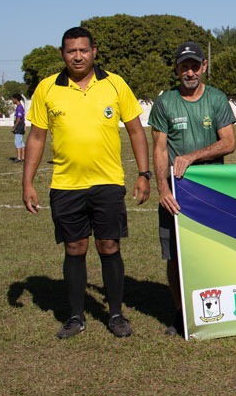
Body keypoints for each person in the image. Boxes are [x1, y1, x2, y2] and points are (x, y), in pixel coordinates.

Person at [22, 27, 151, 339]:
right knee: (74, 247)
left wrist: (144, 174)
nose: (77, 56)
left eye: (83, 50)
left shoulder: (115, 83)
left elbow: (135, 130)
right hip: (66, 185)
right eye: (70, 51)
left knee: (109, 245)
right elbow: (37, 137)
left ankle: (116, 314)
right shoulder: (47, 88)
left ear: (94, 51)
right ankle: (76, 316)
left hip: (107, 182)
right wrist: (27, 182)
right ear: (62, 53)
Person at [149, 41, 236, 336]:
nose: (190, 72)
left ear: (204, 66)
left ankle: (218, 309)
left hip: (211, 191)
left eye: (195, 65)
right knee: (175, 255)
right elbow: (160, 149)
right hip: (177, 191)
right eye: (184, 66)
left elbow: (229, 142)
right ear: (176, 68)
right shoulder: (165, 102)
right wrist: (162, 189)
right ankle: (180, 312)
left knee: (215, 250)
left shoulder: (216, 99)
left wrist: (191, 156)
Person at [11, 94, 26, 162]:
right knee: (21, 142)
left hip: (19, 126)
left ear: (16, 99)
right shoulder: (20, 107)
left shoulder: (19, 107)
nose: (12, 100)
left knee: (17, 142)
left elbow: (18, 118)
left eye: (13, 99)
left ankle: (18, 158)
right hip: (21, 126)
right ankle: (23, 157)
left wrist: (14, 127)